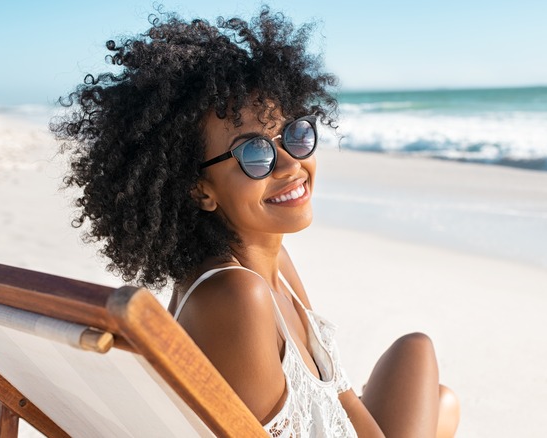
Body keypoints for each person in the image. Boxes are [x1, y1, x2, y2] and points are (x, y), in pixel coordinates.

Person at [51, 7, 459, 437]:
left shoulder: (274, 262)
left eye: (295, 136)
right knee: (438, 404)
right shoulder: (235, 295)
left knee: (422, 361)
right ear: (199, 189)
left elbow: (339, 395)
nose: (289, 165)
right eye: (254, 153)